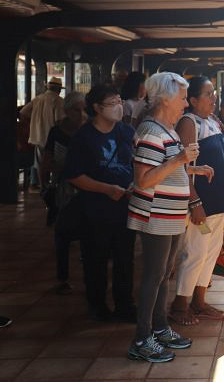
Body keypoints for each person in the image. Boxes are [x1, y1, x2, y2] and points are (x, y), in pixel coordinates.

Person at [126, 72, 213, 363]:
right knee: (154, 276)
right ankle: (142, 338)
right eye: (181, 97)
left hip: (170, 214)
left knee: (163, 275)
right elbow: (144, 180)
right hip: (156, 215)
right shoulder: (152, 131)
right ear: (164, 98)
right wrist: (179, 160)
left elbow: (165, 169)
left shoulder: (166, 128)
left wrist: (191, 169)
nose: (185, 103)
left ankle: (160, 328)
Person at [63, 85, 136, 322]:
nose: (119, 107)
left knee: (125, 260)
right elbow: (75, 175)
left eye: (120, 101)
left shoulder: (126, 131)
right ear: (96, 108)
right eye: (112, 103)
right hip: (95, 211)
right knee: (96, 260)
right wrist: (107, 189)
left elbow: (137, 161)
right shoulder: (84, 138)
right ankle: (98, 306)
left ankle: (124, 305)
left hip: (125, 208)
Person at [169, 76, 224, 326]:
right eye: (208, 94)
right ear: (194, 100)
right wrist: (194, 202)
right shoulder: (189, 123)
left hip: (218, 204)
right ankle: (180, 305)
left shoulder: (211, 121)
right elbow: (182, 167)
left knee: (209, 253)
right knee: (195, 252)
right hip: (202, 205)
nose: (214, 98)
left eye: (214, 93)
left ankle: (199, 301)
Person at [41, 91, 86, 294]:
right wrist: (45, 185)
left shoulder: (88, 129)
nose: (81, 113)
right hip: (64, 187)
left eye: (83, 109)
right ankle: (62, 277)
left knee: (87, 229)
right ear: (67, 111)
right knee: (62, 232)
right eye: (76, 109)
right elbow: (47, 159)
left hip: (86, 186)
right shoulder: (56, 131)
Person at [20, 77, 65, 189]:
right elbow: (60, 120)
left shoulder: (38, 99)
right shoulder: (58, 101)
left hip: (37, 136)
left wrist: (35, 120)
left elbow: (23, 112)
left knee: (39, 162)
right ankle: (46, 186)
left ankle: (36, 183)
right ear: (58, 89)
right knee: (51, 163)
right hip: (51, 137)